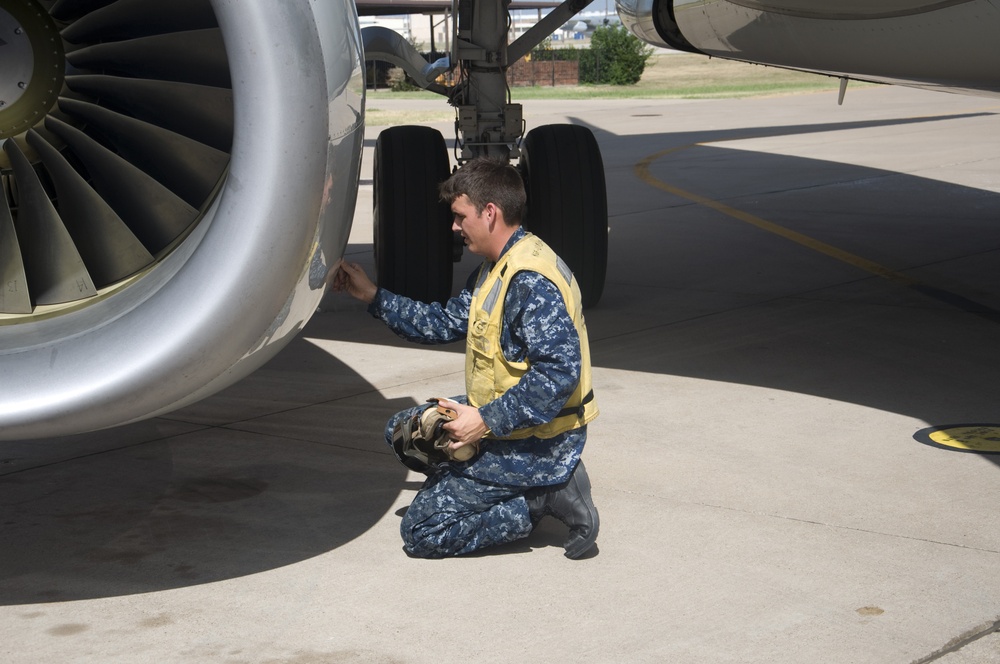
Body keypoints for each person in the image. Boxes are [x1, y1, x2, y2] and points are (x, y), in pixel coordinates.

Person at [330, 157, 599, 559]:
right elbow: (441, 323)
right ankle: (480, 484)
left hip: (539, 442)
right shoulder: (497, 268)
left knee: (422, 531)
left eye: (460, 216)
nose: (454, 227)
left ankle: (543, 496)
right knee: (405, 433)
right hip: (513, 425)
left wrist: (483, 421)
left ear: (490, 213)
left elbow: (558, 377)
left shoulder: (530, 282)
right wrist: (372, 295)